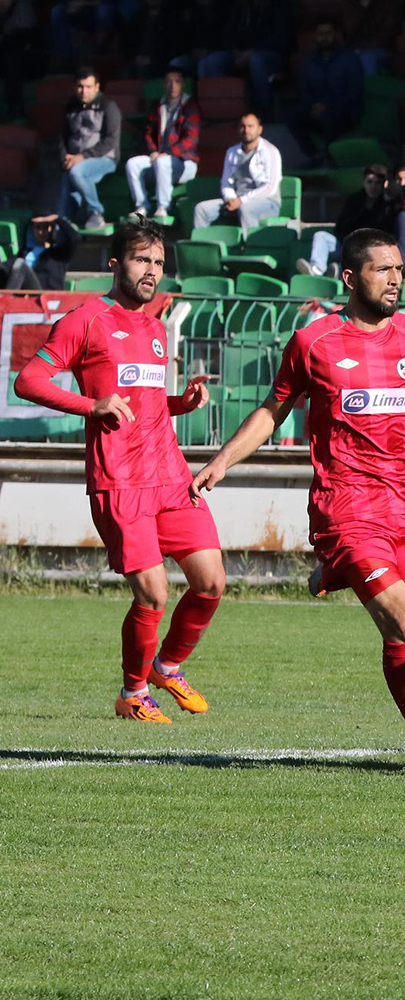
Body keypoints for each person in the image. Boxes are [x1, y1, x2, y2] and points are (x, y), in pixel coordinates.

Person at [192, 229, 405, 778]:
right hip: (345, 505)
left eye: (399, 269)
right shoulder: (314, 342)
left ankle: (339, 571)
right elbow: (270, 412)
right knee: (401, 623)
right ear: (350, 278)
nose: (396, 279)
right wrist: (222, 461)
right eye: (382, 270)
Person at [12, 222, 225, 724]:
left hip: (171, 477)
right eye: (140, 260)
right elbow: (28, 380)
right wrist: (91, 405)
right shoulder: (84, 320)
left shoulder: (154, 326)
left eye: (157, 263)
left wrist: (180, 403)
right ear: (115, 265)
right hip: (120, 480)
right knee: (153, 592)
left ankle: (167, 666)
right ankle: (132, 693)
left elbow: (140, 403)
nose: (151, 271)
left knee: (212, 583)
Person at [122, 68, 199, 222]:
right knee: (132, 164)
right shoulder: (158, 105)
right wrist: (152, 152)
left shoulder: (191, 106)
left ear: (183, 84)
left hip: (184, 163)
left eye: (177, 81)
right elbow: (149, 133)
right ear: (164, 84)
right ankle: (142, 206)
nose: (173, 85)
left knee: (163, 161)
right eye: (169, 82)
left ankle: (163, 206)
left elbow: (191, 139)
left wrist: (168, 153)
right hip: (159, 159)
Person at [296, 163, 397, 278]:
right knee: (321, 236)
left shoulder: (387, 206)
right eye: (369, 182)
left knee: (356, 256)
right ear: (364, 183)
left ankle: (337, 272)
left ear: (385, 184)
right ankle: (317, 269)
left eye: (378, 183)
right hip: (346, 244)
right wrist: (347, 239)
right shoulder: (354, 201)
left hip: (368, 251)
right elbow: (340, 226)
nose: (373, 186)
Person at [289, 21, 364, 168]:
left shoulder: (349, 58)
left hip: (344, 111)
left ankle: (331, 160)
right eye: (321, 34)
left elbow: (354, 91)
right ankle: (315, 155)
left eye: (328, 33)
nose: (324, 38)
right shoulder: (309, 59)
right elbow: (303, 89)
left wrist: (328, 105)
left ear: (335, 35)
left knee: (329, 117)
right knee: (292, 117)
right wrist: (313, 105)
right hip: (315, 109)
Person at [190, 113, 282, 231]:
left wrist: (242, 201)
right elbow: (226, 182)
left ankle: (250, 247)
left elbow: (270, 187)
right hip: (236, 200)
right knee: (201, 209)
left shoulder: (270, 151)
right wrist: (231, 199)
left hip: (267, 202)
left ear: (259, 129)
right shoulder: (232, 152)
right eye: (242, 126)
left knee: (245, 209)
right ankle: (203, 248)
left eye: (250, 126)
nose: (246, 130)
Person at [60, 67, 122, 230]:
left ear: (97, 87)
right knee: (69, 177)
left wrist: (83, 157)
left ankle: (96, 212)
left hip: (104, 159)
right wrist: (65, 157)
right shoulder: (70, 107)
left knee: (76, 172)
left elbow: (111, 140)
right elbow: (63, 137)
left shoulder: (108, 106)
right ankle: (64, 222)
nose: (84, 91)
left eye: (88, 87)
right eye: (80, 86)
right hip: (75, 159)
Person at [3, 215, 79, 290]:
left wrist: (57, 218)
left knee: (20, 264)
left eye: (45, 228)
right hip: (25, 295)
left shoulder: (58, 253)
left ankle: (6, 299)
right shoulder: (25, 252)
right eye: (37, 227)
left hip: (45, 295)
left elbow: (75, 238)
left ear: (52, 229)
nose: (41, 232)